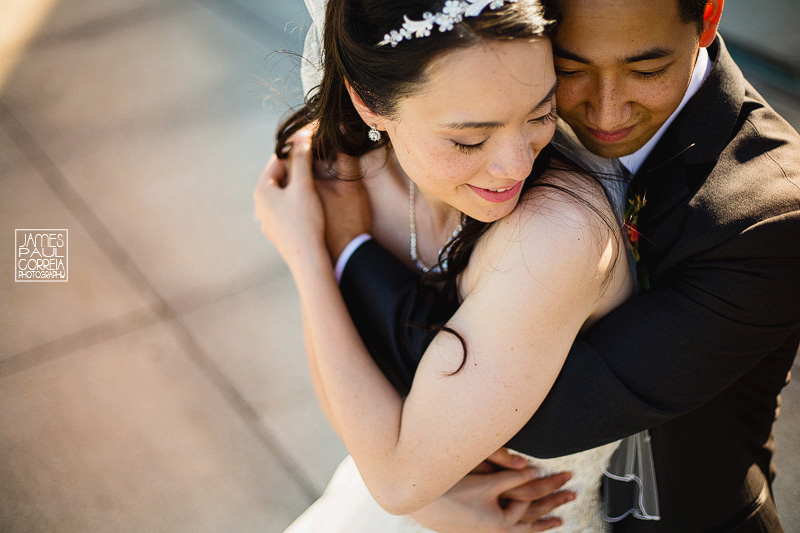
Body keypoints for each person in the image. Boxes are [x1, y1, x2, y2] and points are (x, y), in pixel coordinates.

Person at [329, 0, 800, 530]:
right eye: (569, 71)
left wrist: (341, 250)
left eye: (647, 71)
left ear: (710, 15)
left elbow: (541, 417)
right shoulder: (500, 102)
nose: (604, 112)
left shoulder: (774, 214)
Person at [254, 0, 653, 530]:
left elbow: (398, 480)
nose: (517, 163)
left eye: (540, 112)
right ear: (369, 103)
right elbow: (343, 377)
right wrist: (309, 253)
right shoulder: (338, 171)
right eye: (469, 138)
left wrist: (307, 253)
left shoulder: (560, 231)